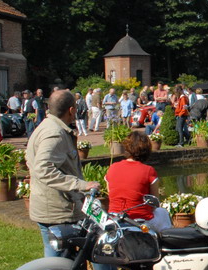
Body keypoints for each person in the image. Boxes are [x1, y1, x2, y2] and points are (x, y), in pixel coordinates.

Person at [26, 90, 100, 259]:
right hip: (56, 212)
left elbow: (32, 160)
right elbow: (43, 169)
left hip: (52, 207)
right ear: (72, 110)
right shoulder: (54, 133)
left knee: (61, 267)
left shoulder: (47, 127)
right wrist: (82, 185)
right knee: (56, 268)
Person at [106, 131, 172, 232]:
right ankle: (164, 244)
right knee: (163, 213)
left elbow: (110, 194)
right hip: (140, 220)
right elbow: (154, 203)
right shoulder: (148, 170)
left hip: (114, 219)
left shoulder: (112, 167)